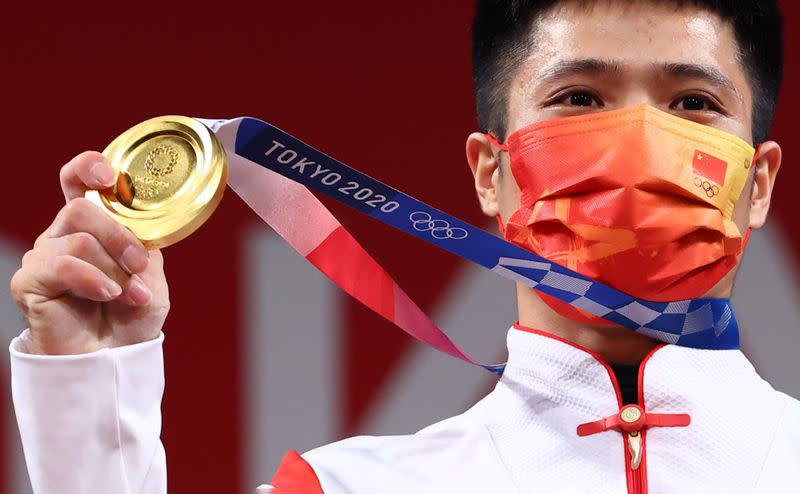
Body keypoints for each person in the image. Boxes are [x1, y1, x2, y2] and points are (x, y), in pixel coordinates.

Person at [9, 0, 799, 492]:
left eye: (693, 102)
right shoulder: (347, 489)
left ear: (758, 183)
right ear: (490, 173)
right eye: (579, 99)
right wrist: (92, 383)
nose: (636, 142)